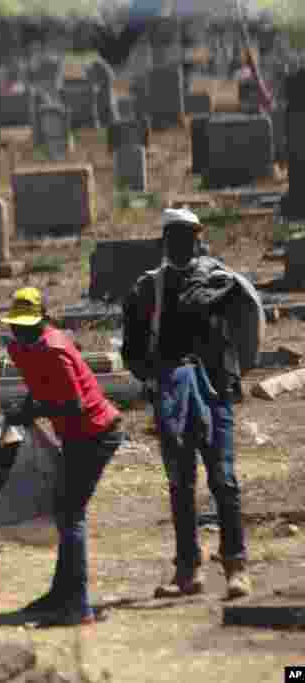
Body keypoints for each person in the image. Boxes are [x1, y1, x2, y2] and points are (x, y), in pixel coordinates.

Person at [122, 208, 254, 600]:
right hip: (173, 402)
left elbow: (245, 331)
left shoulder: (220, 285)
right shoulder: (147, 292)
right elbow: (132, 350)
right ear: (165, 244)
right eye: (176, 239)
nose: (185, 246)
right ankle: (187, 570)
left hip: (215, 397)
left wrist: (229, 382)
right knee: (181, 485)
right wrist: (159, 380)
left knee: (223, 481)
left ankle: (236, 567)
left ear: (199, 241)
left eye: (190, 238)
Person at [1, 287, 123, 627]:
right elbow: (38, 387)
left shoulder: (54, 349)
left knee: (71, 514)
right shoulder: (22, 348)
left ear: (42, 321)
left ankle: (77, 605)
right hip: (76, 435)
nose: (21, 332)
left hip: (96, 433)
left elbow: (75, 405)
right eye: (17, 326)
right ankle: (61, 594)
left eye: (28, 326)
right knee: (65, 510)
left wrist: (33, 411)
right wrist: (25, 409)